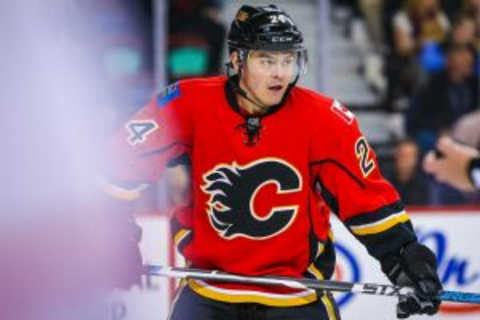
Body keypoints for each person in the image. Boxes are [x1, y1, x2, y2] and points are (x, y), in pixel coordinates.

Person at [105, 4, 442, 319]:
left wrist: (404, 260)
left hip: (295, 294)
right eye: (266, 61)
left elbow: (367, 201)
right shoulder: (188, 104)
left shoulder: (325, 120)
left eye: (287, 60)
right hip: (209, 288)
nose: (280, 73)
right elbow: (119, 164)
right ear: (237, 61)